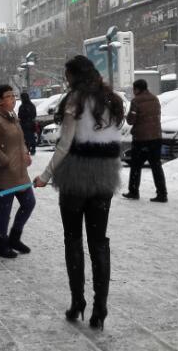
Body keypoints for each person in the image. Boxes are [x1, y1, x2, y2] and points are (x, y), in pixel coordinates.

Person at [33, 55, 123, 331]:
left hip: (74, 180)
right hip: (104, 179)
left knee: (73, 240)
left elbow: (64, 146)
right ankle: (101, 307)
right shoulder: (113, 101)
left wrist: (44, 176)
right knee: (99, 241)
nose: (66, 79)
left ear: (75, 76)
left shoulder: (75, 101)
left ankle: (78, 301)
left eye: (67, 75)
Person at [0, 84, 35, 258]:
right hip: (4, 173)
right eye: (8, 96)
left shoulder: (13, 116)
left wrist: (26, 153)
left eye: (14, 96)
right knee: (3, 211)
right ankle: (2, 245)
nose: (13, 99)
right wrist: (5, 162)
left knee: (29, 203)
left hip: (20, 172)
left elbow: (20, 140)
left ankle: (15, 237)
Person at [123, 79, 168, 203]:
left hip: (141, 139)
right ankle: (162, 193)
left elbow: (131, 120)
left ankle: (133, 191)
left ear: (137, 89)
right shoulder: (155, 99)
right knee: (156, 166)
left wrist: (127, 116)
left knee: (136, 166)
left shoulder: (136, 101)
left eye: (134, 89)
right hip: (156, 137)